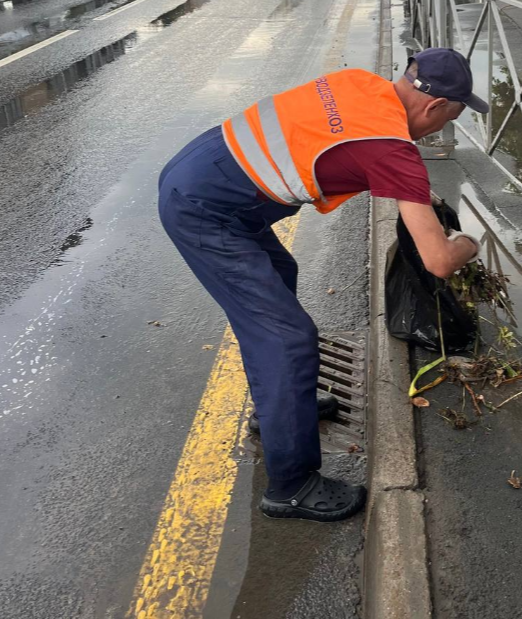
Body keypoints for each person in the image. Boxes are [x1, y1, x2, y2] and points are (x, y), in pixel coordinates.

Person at [156, 48, 483, 523]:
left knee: (279, 276)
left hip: (201, 167)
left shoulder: (361, 84)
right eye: (448, 119)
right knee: (286, 338)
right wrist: (470, 241)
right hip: (206, 210)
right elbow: (438, 260)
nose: (440, 131)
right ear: (434, 108)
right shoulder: (394, 149)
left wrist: (413, 193)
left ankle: (283, 411)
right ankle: (291, 486)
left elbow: (339, 141)